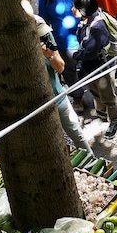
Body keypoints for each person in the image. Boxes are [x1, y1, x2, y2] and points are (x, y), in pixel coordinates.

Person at [33, 16, 91, 151]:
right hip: (37, 105)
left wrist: (49, 55)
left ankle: (91, 160)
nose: (45, 35)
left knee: (77, 134)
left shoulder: (46, 38)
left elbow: (60, 67)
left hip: (57, 96)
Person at [73, 0, 117, 139]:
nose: (72, 10)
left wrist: (76, 56)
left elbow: (91, 52)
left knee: (107, 95)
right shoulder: (88, 20)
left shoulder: (97, 27)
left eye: (75, 7)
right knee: (95, 91)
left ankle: (114, 121)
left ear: (83, 11)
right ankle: (101, 113)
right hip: (90, 67)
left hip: (101, 68)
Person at [38, 0, 87, 96]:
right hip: (63, 44)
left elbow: (88, 9)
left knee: (89, 64)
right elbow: (44, 23)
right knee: (69, 71)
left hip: (84, 38)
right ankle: (77, 96)